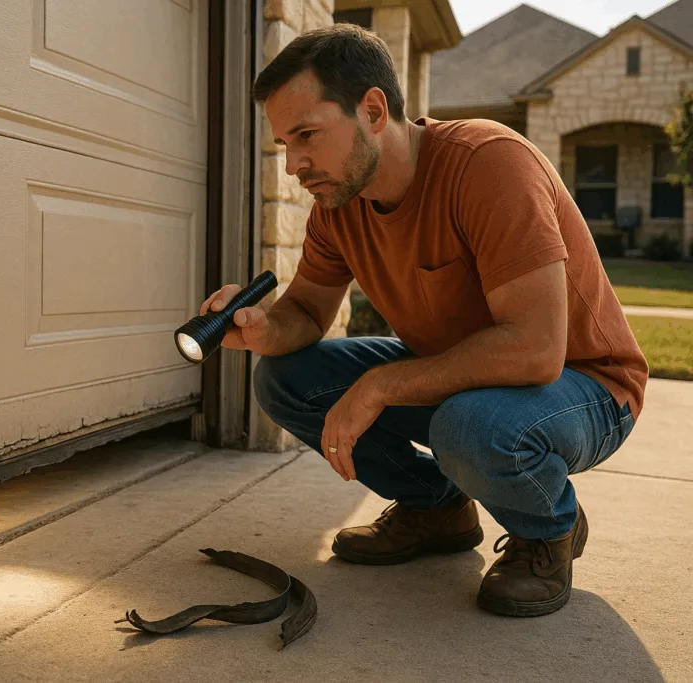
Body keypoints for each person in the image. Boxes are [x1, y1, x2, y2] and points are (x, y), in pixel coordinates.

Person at [201, 24, 648, 617]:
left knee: (469, 427)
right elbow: (306, 311)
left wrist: (381, 385)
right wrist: (260, 327)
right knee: (283, 378)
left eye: (307, 135)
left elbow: (537, 350)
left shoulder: (487, 164)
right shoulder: (338, 205)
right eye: (285, 143)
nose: (294, 166)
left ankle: (548, 530)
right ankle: (436, 508)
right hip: (468, 382)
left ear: (374, 109)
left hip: (583, 386)